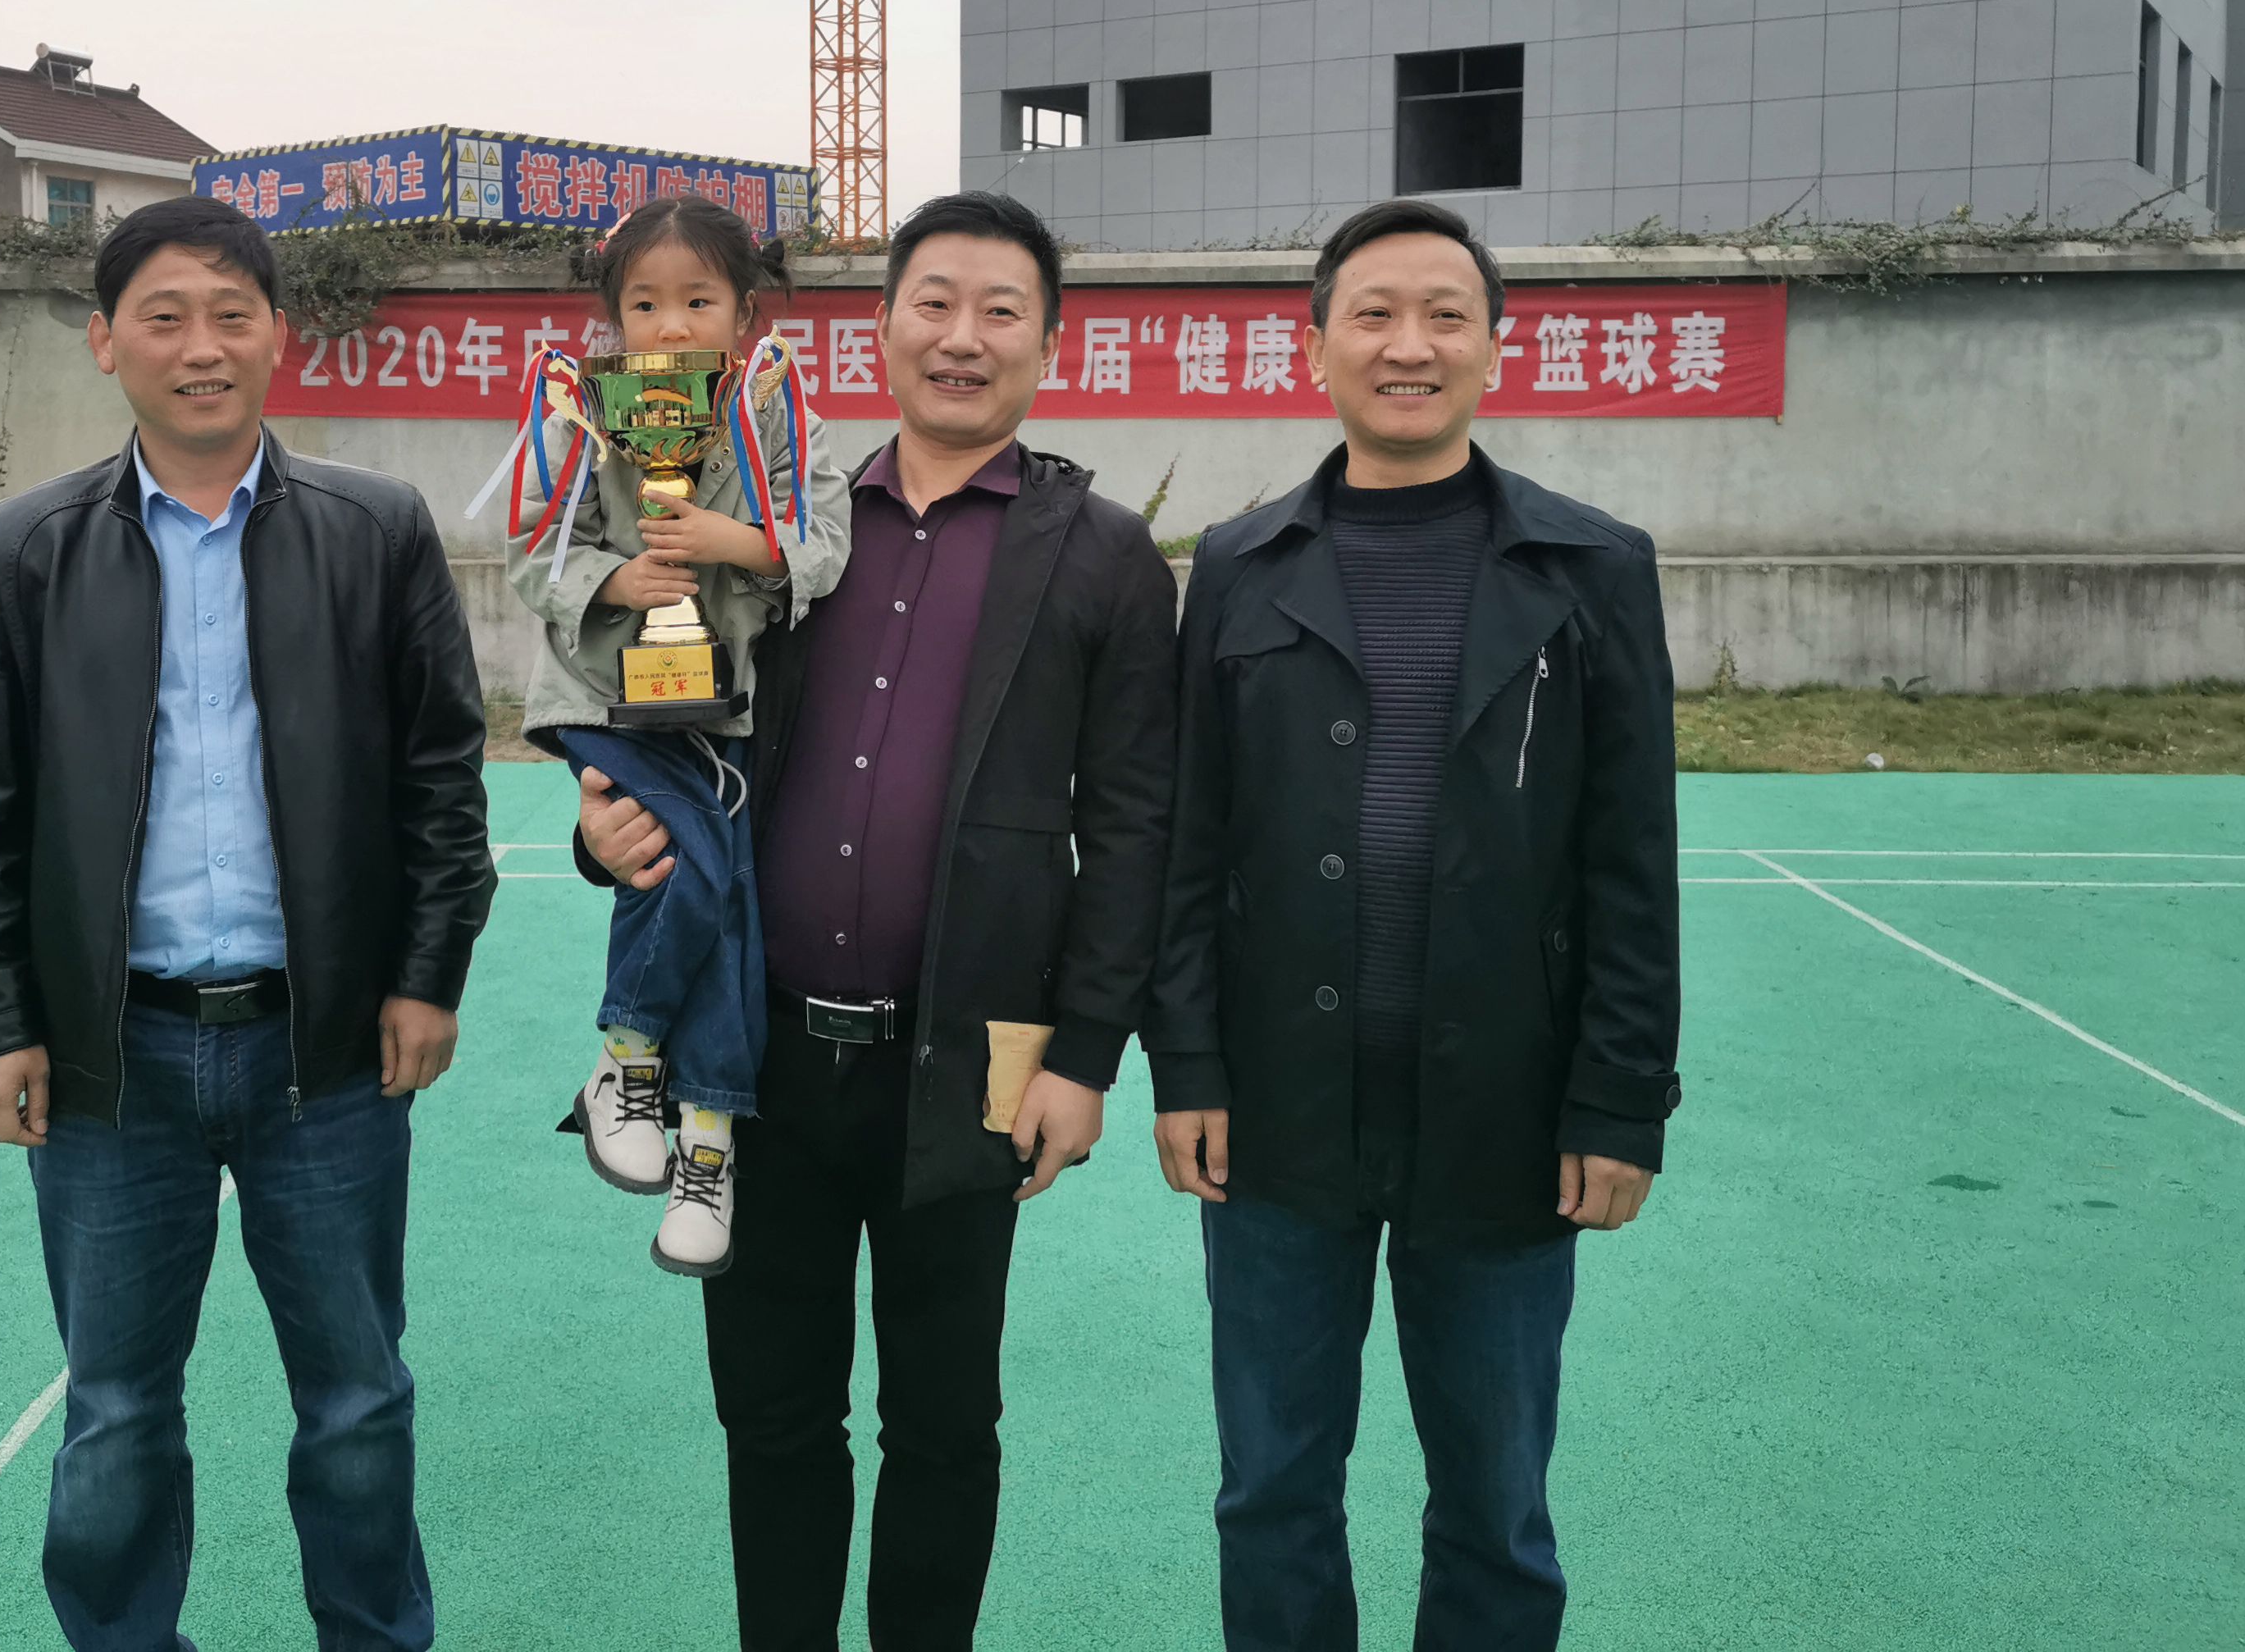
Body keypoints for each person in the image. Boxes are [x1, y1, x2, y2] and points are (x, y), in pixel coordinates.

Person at [578, 189, 1177, 1652]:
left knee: (944, 1425)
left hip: (970, 1064)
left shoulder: (1101, 554)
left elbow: (1137, 827)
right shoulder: (782, 526)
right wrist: (606, 829)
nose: (963, 338)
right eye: (935, 304)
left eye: (1000, 311)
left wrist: (1086, 1058)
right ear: (883, 328)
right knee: (773, 1415)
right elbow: (672, 715)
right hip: (758, 1059)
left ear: (1050, 344)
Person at [0, 194, 495, 1652]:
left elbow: (442, 779)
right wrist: (0, 1026)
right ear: (104, 340)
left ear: (278, 337)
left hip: (330, 1055)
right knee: (117, 1413)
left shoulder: (375, 531)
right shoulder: (24, 551)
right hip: (112, 1063)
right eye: (166, 318)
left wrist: (427, 976)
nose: (202, 348)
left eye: (232, 316)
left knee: (358, 1401)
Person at [1145, 197, 1682, 1652]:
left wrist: (1620, 1100)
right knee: (1271, 1492)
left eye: (1447, 315)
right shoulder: (1241, 564)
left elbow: (1632, 862)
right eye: (1374, 314)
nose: (1410, 345)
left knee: (1497, 1506)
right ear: (1314, 346)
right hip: (1277, 1118)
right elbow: (1192, 844)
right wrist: (1186, 1065)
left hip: (1509, 1115)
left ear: (1498, 348)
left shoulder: (1593, 569)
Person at [506, 195, 850, 1276]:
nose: (670, 325)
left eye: (698, 300)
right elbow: (532, 546)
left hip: (726, 703)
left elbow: (825, 539)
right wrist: (616, 579)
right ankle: (635, 1060)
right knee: (697, 877)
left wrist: (728, 540)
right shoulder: (579, 409)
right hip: (605, 700)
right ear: (614, 316)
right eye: (645, 304)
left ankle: (691, 1130)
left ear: (745, 313)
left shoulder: (778, 406)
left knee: (724, 899)